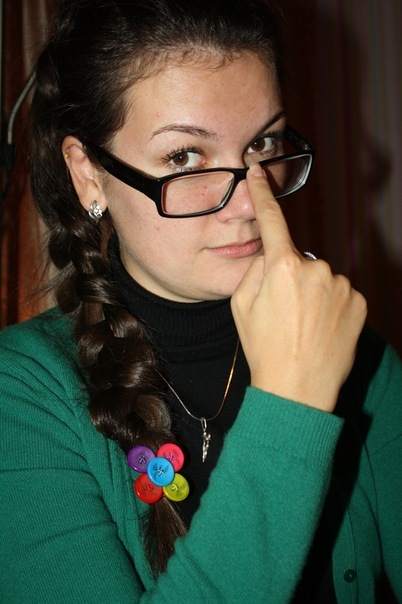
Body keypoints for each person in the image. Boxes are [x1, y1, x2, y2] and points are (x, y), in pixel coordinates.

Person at [0, 0, 400, 602]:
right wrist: (293, 403)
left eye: (262, 144)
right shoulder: (21, 397)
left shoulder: (351, 350)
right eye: (184, 156)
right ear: (88, 174)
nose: (249, 203)